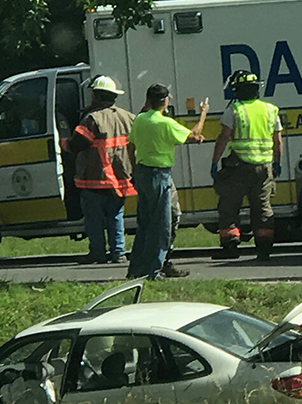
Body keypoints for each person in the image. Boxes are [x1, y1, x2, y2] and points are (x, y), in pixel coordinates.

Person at [126, 84, 208, 280]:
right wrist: (203, 113)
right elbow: (194, 135)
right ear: (164, 101)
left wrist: (134, 169)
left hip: (143, 173)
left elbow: (130, 146)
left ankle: (136, 268)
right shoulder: (164, 123)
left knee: (145, 223)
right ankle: (155, 270)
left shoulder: (139, 120)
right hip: (159, 175)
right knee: (162, 224)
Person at [210, 70, 283, 261]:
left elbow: (223, 138)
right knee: (262, 207)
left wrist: (215, 162)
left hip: (238, 166)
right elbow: (278, 140)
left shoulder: (234, 110)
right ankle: (264, 248)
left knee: (229, 206)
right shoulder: (271, 109)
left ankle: (231, 247)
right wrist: (277, 162)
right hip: (264, 167)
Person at [69, 76, 135, 264]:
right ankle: (119, 253)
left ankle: (97, 253)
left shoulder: (91, 118)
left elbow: (78, 144)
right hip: (120, 179)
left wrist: (63, 144)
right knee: (116, 216)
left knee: (94, 219)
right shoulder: (127, 117)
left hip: (95, 179)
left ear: (96, 96)